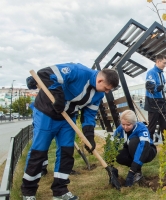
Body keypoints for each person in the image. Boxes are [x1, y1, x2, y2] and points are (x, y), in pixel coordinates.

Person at [21, 63, 119, 200]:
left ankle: (60, 191)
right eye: (106, 88)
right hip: (47, 113)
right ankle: (28, 192)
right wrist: (58, 96)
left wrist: (89, 136)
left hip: (67, 118)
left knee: (67, 152)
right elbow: (45, 73)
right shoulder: (77, 71)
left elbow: (89, 114)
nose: (107, 92)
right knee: (39, 151)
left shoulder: (98, 94)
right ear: (100, 80)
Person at [144, 54, 166, 156]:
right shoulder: (151, 73)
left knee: (165, 127)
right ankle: (147, 149)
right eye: (164, 63)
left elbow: (162, 86)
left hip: (161, 102)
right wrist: (159, 88)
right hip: (153, 102)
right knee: (152, 127)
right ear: (158, 62)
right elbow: (150, 87)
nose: (165, 65)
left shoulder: (161, 74)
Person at [113, 110, 157, 187]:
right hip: (132, 150)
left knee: (133, 142)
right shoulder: (120, 129)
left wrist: (132, 171)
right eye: (123, 124)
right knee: (119, 155)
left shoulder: (141, 128)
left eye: (128, 125)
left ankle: (137, 172)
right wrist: (110, 162)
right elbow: (114, 145)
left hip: (148, 151)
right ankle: (136, 171)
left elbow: (143, 147)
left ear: (134, 123)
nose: (125, 127)